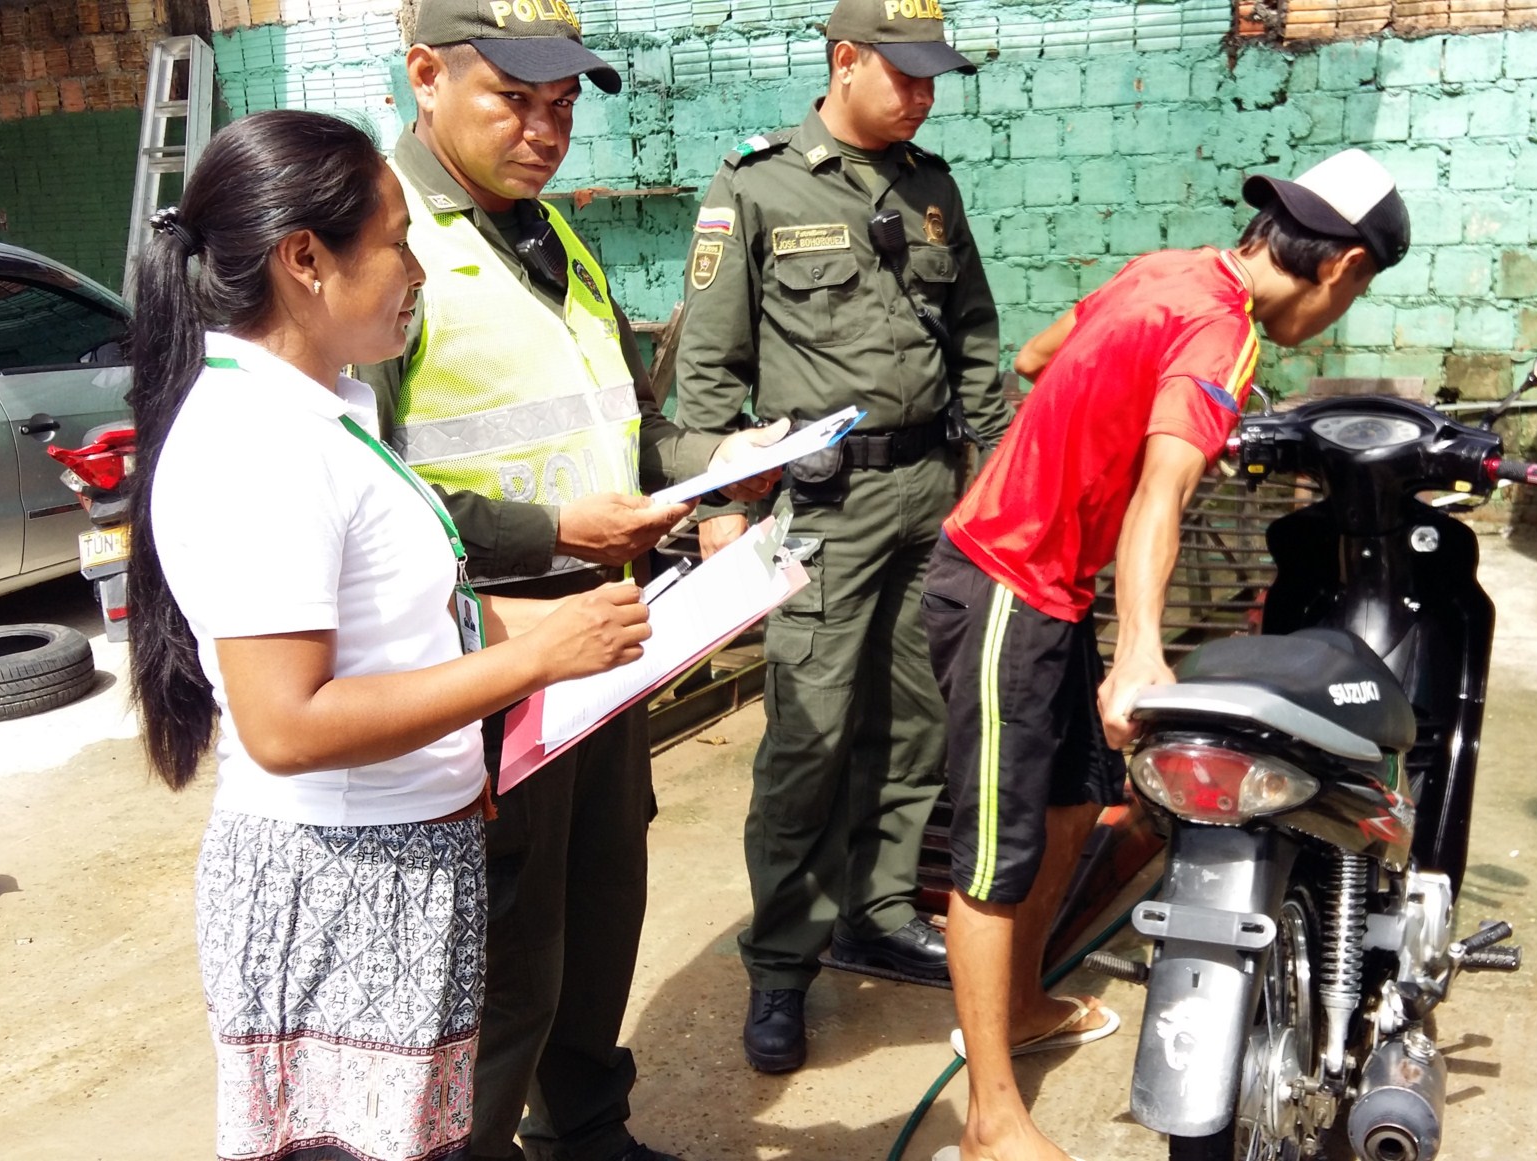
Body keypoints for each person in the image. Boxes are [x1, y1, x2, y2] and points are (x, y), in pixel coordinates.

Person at [125, 109, 653, 1161]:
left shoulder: (323, 415)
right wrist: (533, 659)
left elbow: (407, 618)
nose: (417, 273)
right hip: (345, 882)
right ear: (305, 260)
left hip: (401, 862)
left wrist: (570, 626)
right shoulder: (260, 446)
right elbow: (287, 724)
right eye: (398, 243)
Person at [923, 148, 1411, 1161]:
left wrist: (1103, 418)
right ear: (1342, 266)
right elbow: (1163, 494)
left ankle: (1022, 1002)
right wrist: (1139, 649)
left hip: (1049, 587)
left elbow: (1038, 356)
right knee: (992, 857)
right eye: (1356, 293)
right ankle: (990, 1120)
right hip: (1005, 583)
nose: (1341, 310)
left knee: (1071, 806)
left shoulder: (1170, 269)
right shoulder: (1223, 336)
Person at [358, 3, 783, 1158]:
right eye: (513, 100)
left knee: (601, 894)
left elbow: (623, 429)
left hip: (606, 631)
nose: (545, 132)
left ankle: (587, 1131)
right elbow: (363, 502)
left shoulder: (552, 235)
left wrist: (715, 469)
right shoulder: (381, 247)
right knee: (504, 950)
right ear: (424, 77)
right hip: (483, 648)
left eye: (560, 106)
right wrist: (552, 529)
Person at [670, 0, 1010, 1075]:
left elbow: (976, 340)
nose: (922, 96)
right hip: (822, 506)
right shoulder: (757, 186)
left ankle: (879, 907)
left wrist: (998, 473)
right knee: (809, 738)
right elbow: (709, 369)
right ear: (846, 60)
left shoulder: (931, 186)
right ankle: (781, 962)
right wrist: (718, 507)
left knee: (916, 720)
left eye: (933, 79)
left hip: (930, 492)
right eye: (904, 75)